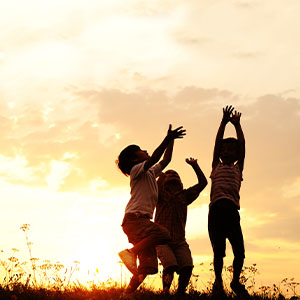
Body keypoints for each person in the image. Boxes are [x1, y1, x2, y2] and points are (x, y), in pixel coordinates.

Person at [117, 124, 186, 298]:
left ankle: (126, 294)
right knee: (164, 234)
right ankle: (130, 253)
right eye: (140, 150)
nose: (145, 150)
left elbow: (165, 160)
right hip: (135, 220)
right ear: (134, 160)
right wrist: (167, 138)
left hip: (141, 222)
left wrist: (172, 141)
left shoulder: (149, 173)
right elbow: (155, 157)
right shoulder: (136, 170)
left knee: (148, 266)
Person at [208, 105, 248, 297]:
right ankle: (218, 282)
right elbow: (216, 143)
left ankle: (235, 281)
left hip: (232, 213)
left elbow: (243, 145)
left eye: (231, 149)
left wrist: (238, 125)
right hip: (216, 213)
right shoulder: (216, 166)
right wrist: (223, 122)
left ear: (237, 154)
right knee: (219, 251)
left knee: (239, 252)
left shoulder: (238, 168)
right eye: (224, 149)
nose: (226, 151)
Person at [155, 157, 207, 296]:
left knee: (187, 266)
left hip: (179, 240)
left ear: (181, 183)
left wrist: (195, 166)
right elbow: (156, 188)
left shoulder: (185, 195)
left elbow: (203, 183)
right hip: (161, 240)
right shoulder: (160, 195)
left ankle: (180, 293)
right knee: (170, 265)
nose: (171, 175)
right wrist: (160, 177)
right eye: (168, 174)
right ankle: (165, 291)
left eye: (175, 175)